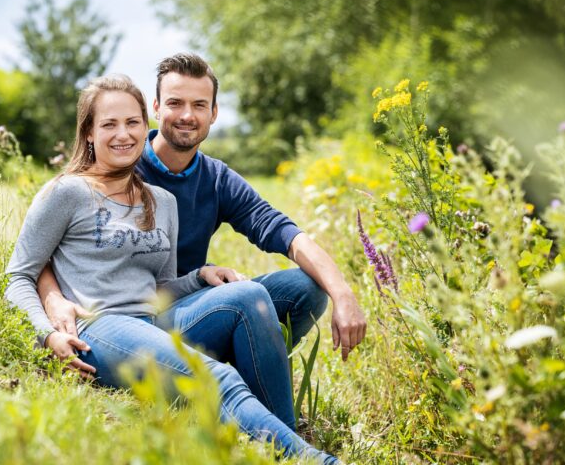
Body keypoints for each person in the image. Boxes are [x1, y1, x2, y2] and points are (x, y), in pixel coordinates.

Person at [5, 74, 339, 464]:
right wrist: (46, 335)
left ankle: (283, 443)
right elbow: (18, 276)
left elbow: (159, 288)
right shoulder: (67, 192)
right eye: (109, 124)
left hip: (153, 323)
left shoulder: (160, 201)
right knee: (220, 377)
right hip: (100, 328)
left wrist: (199, 278)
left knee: (249, 293)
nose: (123, 135)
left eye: (131, 123)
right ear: (89, 133)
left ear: (143, 123)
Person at [39, 53, 367, 381]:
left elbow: (284, 232)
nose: (186, 115)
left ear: (213, 113)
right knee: (244, 297)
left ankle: (243, 373)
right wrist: (53, 299)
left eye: (198, 105)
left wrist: (343, 292)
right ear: (155, 108)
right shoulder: (121, 164)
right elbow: (47, 252)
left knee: (305, 287)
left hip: (191, 305)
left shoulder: (216, 179)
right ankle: (210, 381)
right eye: (175, 103)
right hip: (129, 320)